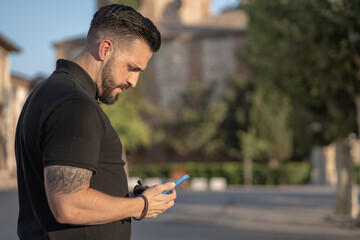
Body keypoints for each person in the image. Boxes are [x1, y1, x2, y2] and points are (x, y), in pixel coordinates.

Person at [15, 4, 176, 240]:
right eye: (132, 68)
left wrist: (126, 199)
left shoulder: (50, 92)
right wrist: (141, 205)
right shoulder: (75, 105)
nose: (133, 81)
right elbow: (68, 204)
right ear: (106, 49)